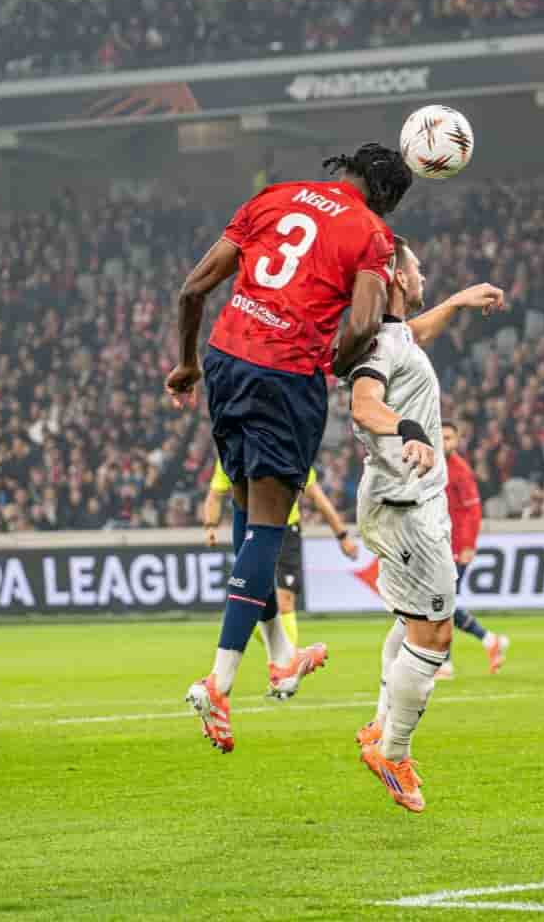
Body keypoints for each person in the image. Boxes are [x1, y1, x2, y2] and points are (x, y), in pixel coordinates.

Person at [166, 144, 412, 754]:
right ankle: (219, 681)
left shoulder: (273, 198)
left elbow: (193, 289)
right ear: (385, 195)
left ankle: (281, 656)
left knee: (250, 517)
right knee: (271, 525)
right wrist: (326, 363)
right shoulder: (371, 234)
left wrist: (187, 364)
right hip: (284, 373)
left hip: (226, 358)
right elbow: (359, 326)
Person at [348, 238, 504, 813]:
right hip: (404, 507)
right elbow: (365, 403)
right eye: (416, 269)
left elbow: (416, 334)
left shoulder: (394, 335)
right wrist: (410, 429)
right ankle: (393, 750)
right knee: (434, 637)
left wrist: (459, 302)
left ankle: (382, 725)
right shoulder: (373, 348)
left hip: (418, 501)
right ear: (394, 277)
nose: (424, 276)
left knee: (415, 621)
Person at [202, 458, 359, 653]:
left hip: (285, 531)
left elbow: (318, 498)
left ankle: (287, 666)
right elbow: (215, 495)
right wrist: (210, 526)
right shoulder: (232, 452)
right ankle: (283, 657)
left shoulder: (288, 450)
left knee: (284, 601)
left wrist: (342, 536)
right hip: (251, 531)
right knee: (253, 602)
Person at [435, 421, 508, 679]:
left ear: (456, 441)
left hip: (455, 549)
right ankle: (489, 641)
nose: (445, 442)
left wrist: (468, 545)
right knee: (442, 604)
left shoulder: (461, 471)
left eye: (449, 438)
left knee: (440, 605)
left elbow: (473, 511)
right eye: (441, 437)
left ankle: (445, 663)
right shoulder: (431, 464)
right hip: (437, 545)